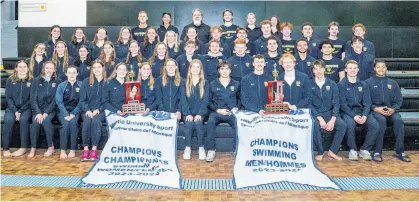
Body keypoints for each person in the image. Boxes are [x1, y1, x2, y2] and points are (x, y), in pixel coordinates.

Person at [365, 61, 411, 162]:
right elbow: (366, 101)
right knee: (381, 120)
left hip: (390, 110)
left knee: (398, 120)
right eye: (378, 67)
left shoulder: (393, 83)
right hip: (375, 111)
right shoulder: (368, 83)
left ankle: (400, 151)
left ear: (386, 69)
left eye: (383, 67)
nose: (381, 69)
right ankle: (377, 151)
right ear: (374, 69)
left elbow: (398, 100)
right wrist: (375, 108)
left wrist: (393, 109)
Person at [338, 60, 379, 161]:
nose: (352, 70)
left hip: (361, 111)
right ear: (346, 70)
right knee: (350, 124)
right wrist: (354, 116)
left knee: (375, 125)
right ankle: (352, 150)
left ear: (358, 70)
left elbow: (367, 102)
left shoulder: (363, 84)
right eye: (350, 68)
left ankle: (365, 149)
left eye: (355, 68)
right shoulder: (340, 85)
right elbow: (343, 104)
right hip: (347, 112)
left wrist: (365, 115)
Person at [308, 60, 346, 161]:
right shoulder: (309, 84)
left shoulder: (332, 84)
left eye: (320, 68)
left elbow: (337, 103)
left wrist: (333, 119)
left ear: (324, 69)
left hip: (329, 113)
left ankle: (332, 151)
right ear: (313, 71)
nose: (319, 71)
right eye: (316, 69)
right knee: (315, 125)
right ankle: (320, 152)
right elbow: (309, 104)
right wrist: (319, 118)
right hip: (315, 114)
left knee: (342, 125)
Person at [206, 61, 240, 162]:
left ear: (230, 71)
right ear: (218, 71)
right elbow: (209, 101)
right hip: (217, 112)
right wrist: (217, 110)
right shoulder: (212, 84)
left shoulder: (236, 83)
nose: (224, 71)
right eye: (222, 69)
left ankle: (236, 149)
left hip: (231, 112)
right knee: (210, 121)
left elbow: (239, 99)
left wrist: (235, 108)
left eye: (227, 69)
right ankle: (211, 150)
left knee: (239, 123)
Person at [28, 61, 60, 157]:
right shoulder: (36, 81)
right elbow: (32, 99)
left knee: (45, 121)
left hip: (50, 110)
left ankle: (51, 147)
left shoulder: (58, 81)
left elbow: (56, 100)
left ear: (54, 70)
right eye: (47, 68)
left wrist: (46, 112)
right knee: (35, 122)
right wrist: (38, 112)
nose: (49, 70)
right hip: (38, 110)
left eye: (51, 68)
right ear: (44, 69)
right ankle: (33, 148)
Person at [2, 61, 33, 157]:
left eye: (24, 67)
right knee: (8, 120)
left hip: (26, 108)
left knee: (24, 120)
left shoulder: (32, 81)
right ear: (16, 68)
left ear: (28, 68)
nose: (22, 68)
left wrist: (20, 111)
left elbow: (31, 99)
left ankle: (23, 148)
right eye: (20, 66)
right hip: (12, 108)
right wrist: (15, 111)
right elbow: (8, 97)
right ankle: (6, 148)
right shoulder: (10, 80)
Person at [180, 59, 209, 160]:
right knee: (188, 124)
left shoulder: (205, 82)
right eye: (193, 67)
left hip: (200, 112)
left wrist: (200, 114)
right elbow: (183, 99)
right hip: (187, 112)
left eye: (198, 67)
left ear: (200, 69)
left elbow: (206, 100)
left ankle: (201, 147)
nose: (195, 69)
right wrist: (187, 113)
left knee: (197, 123)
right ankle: (187, 147)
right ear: (190, 68)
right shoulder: (184, 82)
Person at [79, 60, 107, 161]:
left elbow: (107, 100)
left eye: (99, 67)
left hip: (101, 111)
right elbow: (82, 100)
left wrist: (98, 109)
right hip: (87, 110)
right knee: (86, 121)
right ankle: (86, 149)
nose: (96, 70)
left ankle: (94, 149)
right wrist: (87, 110)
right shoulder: (86, 81)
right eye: (94, 68)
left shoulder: (106, 82)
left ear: (102, 68)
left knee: (96, 121)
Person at [55, 65, 82, 159]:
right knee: (66, 124)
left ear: (77, 74)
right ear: (66, 74)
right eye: (69, 72)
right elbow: (59, 101)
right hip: (63, 111)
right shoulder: (61, 85)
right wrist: (66, 114)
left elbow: (82, 101)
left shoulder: (81, 85)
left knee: (73, 123)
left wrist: (74, 113)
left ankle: (72, 150)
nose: (71, 75)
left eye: (74, 72)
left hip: (75, 110)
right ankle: (63, 150)